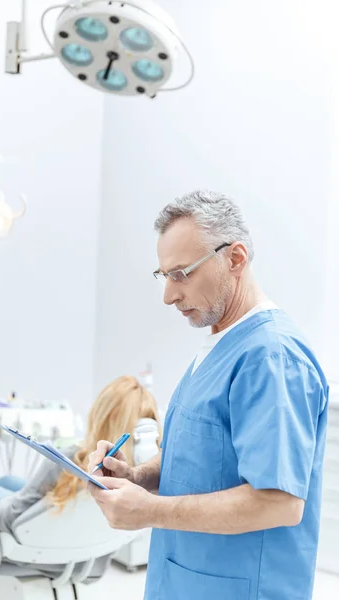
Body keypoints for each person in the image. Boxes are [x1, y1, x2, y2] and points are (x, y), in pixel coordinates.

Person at [88, 190, 329, 600]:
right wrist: (138, 477)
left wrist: (148, 511)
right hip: (184, 581)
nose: (169, 295)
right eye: (163, 276)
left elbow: (278, 502)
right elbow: (206, 460)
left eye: (182, 273)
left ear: (235, 259)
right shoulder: (219, 345)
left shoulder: (271, 357)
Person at [0, 375, 161, 534]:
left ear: (100, 416)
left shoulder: (72, 459)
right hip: (80, 550)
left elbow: (6, 518)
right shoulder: (144, 482)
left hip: (26, 529)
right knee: (8, 480)